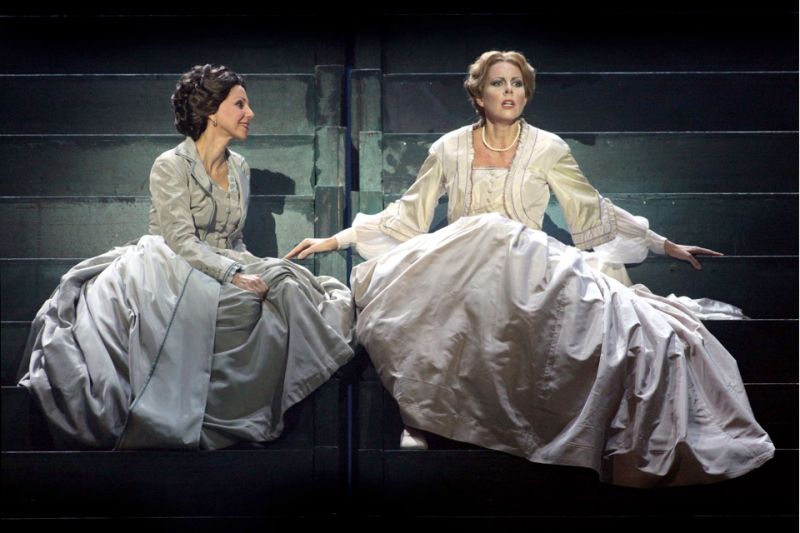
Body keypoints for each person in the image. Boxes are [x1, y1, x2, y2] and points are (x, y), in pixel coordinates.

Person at [285, 51, 774, 487]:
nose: (509, 92)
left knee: (620, 324)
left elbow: (592, 208)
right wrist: (337, 239)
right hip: (464, 258)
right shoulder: (449, 148)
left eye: (517, 84)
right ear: (478, 94)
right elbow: (408, 213)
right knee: (432, 286)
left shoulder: (548, 147)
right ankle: (422, 419)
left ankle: (546, 426)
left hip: (528, 259)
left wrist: (663, 244)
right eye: (498, 83)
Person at [17, 64, 355, 450]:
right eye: (240, 104)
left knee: (287, 281)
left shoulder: (240, 167)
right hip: (169, 262)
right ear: (212, 111)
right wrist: (234, 274)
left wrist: (251, 266)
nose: (250, 113)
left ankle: (289, 398)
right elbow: (180, 240)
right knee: (252, 297)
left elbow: (235, 239)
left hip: (222, 257)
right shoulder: (171, 165)